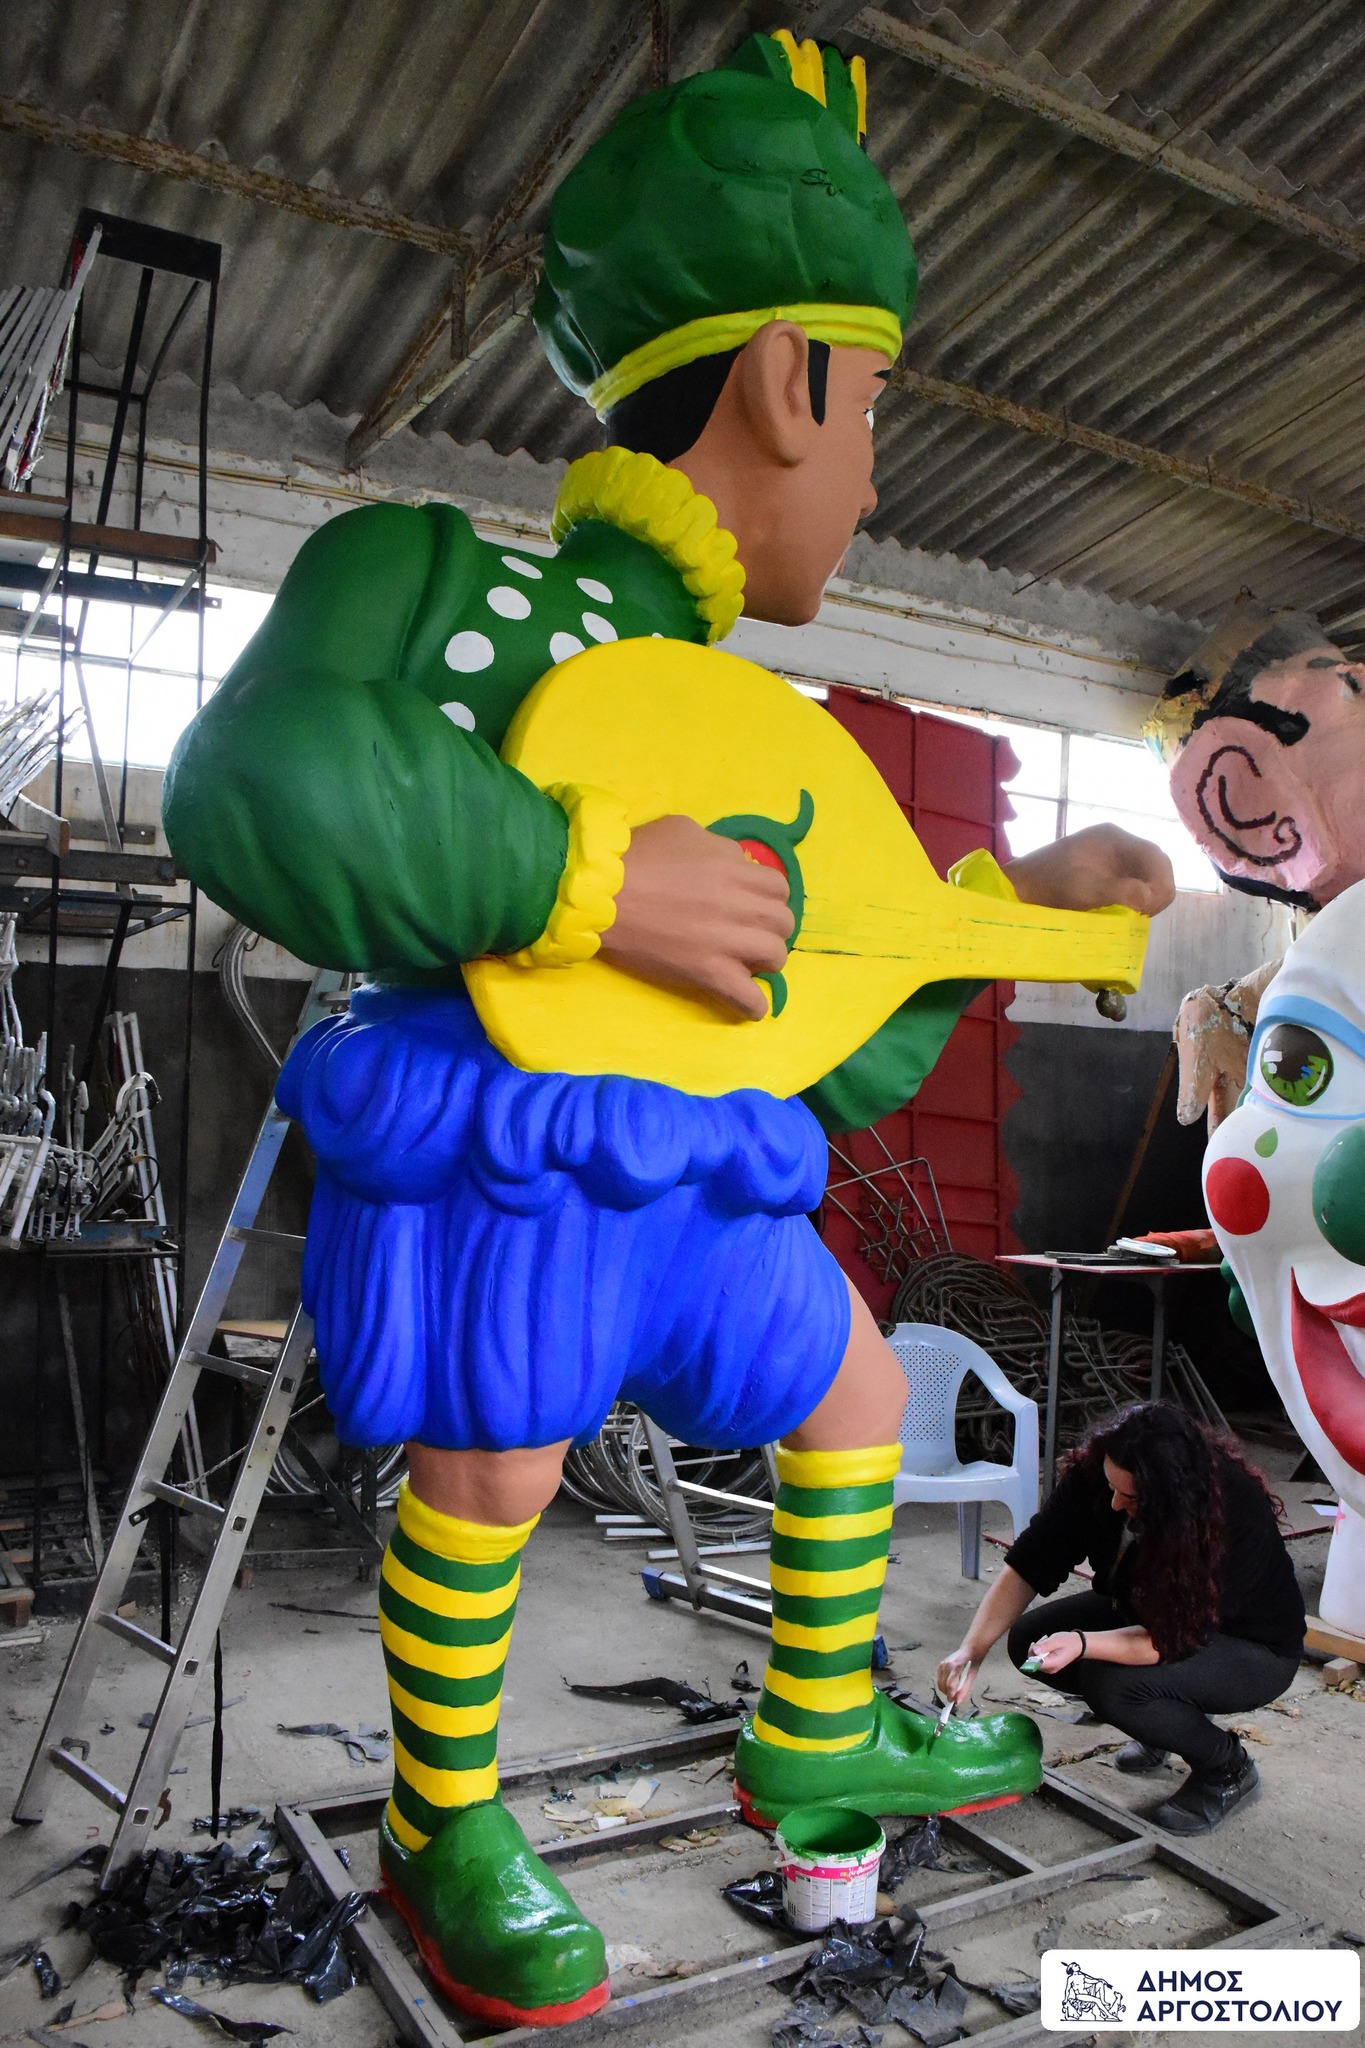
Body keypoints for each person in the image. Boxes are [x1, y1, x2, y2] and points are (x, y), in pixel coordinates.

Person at [164, 31, 1174, 2029]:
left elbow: (825, 1033)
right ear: (794, 379)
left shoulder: (761, 740)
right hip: (518, 1149)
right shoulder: (427, 579)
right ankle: (441, 1820)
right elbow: (254, 775)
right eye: (872, 408)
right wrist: (581, 881)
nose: (871, 476)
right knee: (496, 1473)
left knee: (855, 1392)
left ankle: (816, 1727)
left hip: (702, 1170)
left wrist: (1010, 908)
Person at [936, 1402, 1304, 1835]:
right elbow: (1032, 1562)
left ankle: (1227, 1768)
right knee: (1029, 1639)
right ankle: (1166, 1724)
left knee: (1113, 1685)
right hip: (1153, 1613)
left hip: (1249, 1647)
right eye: (1112, 1487)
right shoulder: (1098, 1475)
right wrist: (972, 1650)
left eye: (1131, 1498)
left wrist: (1083, 1643)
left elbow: (1168, 1640)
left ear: (1171, 1500)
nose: (1114, 1503)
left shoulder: (1232, 1511)